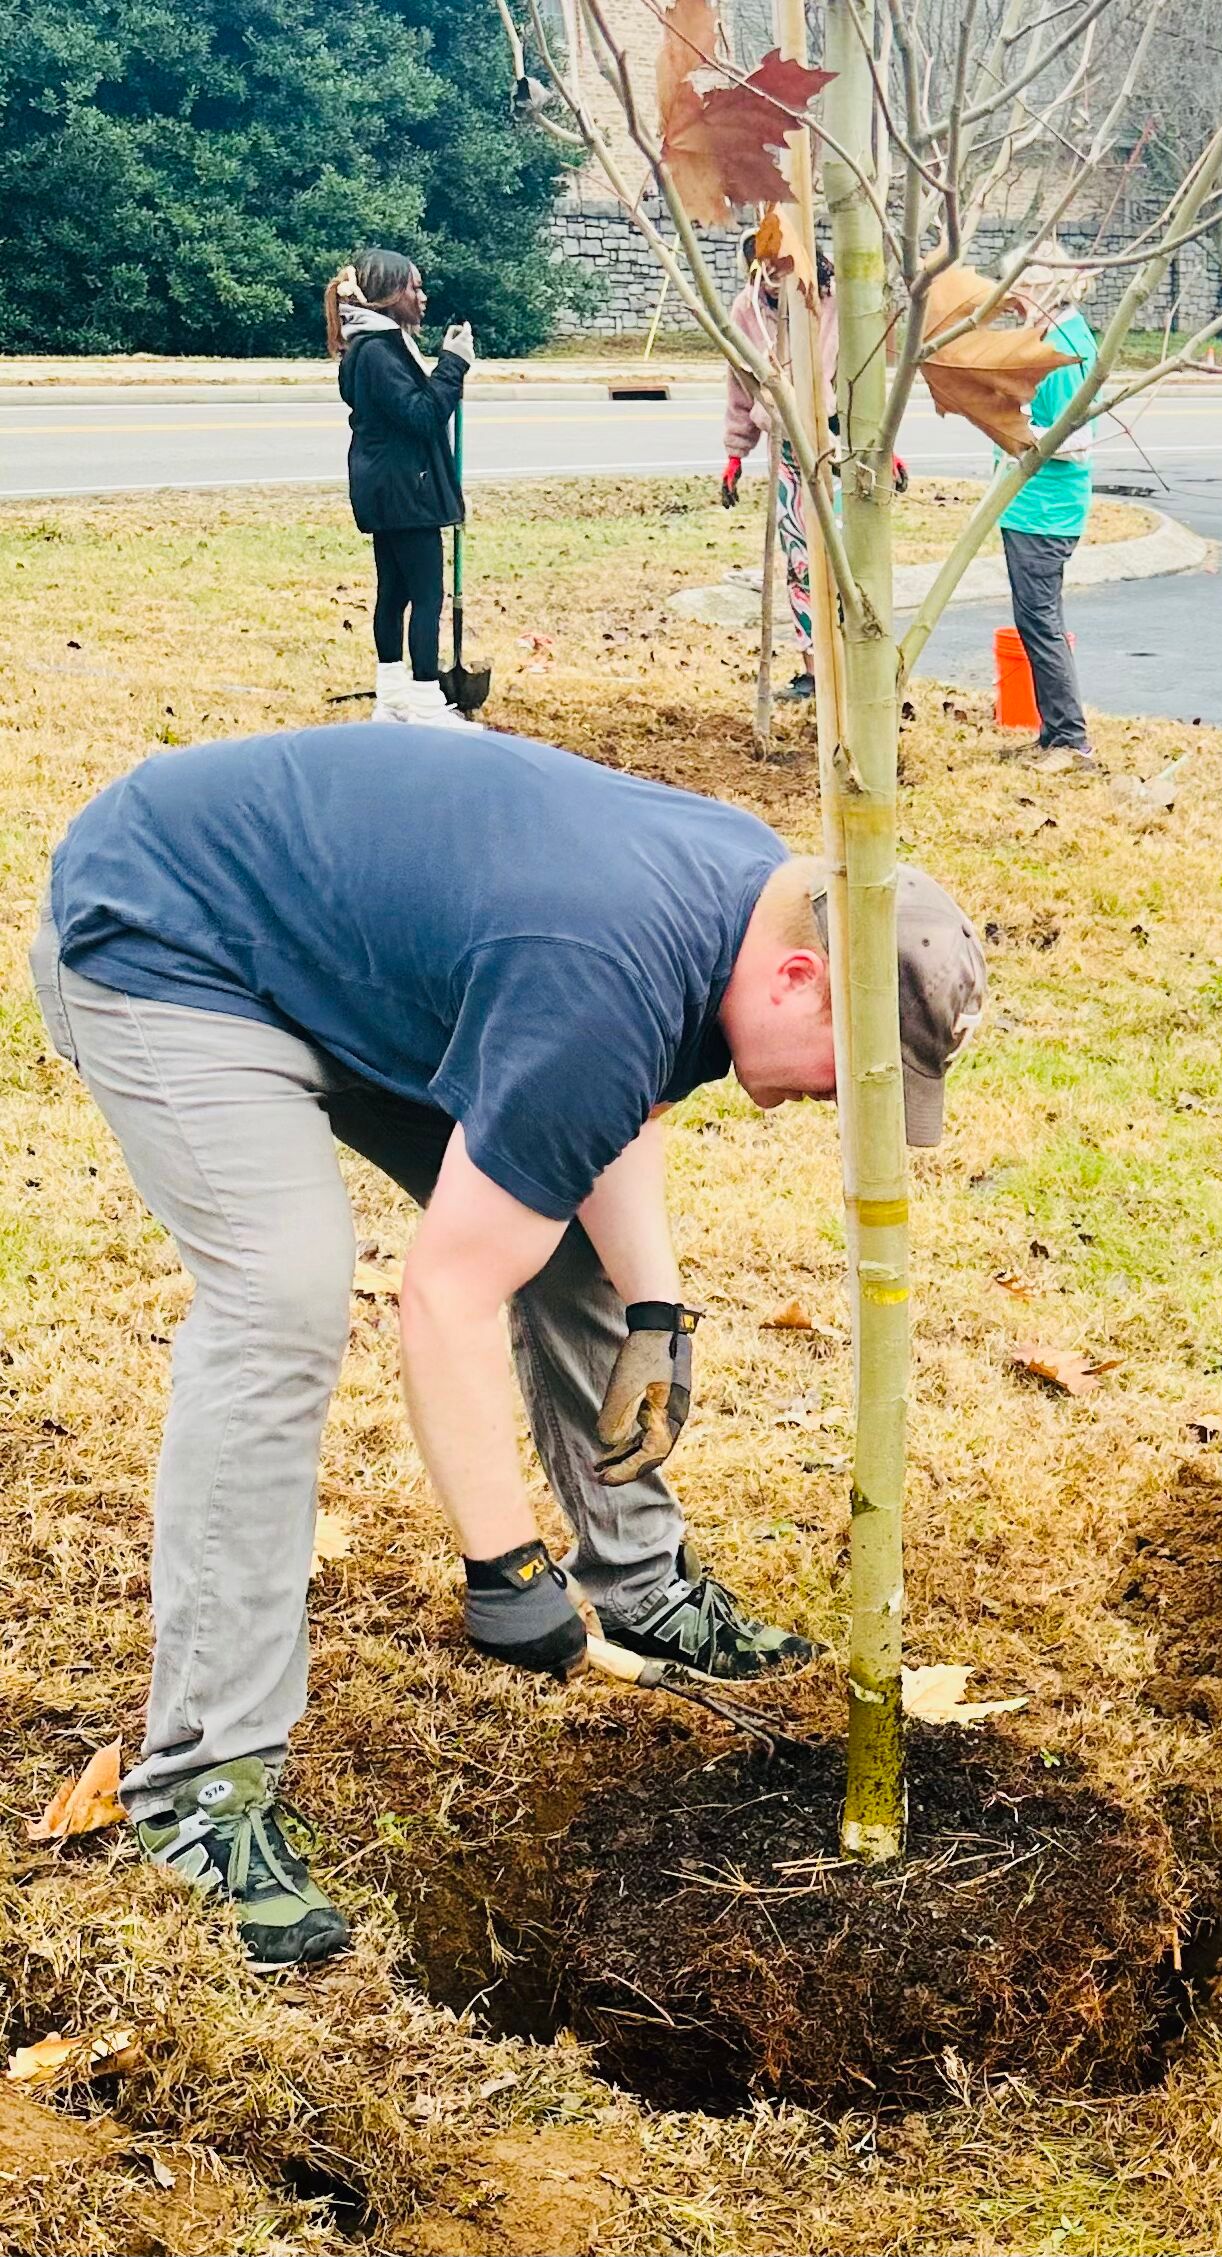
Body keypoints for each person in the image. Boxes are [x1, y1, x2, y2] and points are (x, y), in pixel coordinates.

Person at [31, 725, 986, 1972]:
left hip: (345, 959)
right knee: (283, 1294)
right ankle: (203, 1787)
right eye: (845, 1084)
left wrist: (657, 1310)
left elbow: (606, 1106)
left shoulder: (750, 897)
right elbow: (446, 1295)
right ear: (803, 980)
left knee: (566, 1226)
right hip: (174, 933)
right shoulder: (611, 961)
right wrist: (502, 1568)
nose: (830, 1112)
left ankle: (639, 1586)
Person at [326, 250, 477, 729]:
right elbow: (421, 415)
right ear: (390, 296)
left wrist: (444, 370)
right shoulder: (377, 351)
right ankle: (426, 703)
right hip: (404, 489)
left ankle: (392, 698)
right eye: (413, 287)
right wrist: (452, 365)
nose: (422, 295)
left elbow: (411, 408)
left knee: (393, 592)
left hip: (388, 484)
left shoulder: (375, 346)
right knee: (425, 594)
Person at [722, 231, 840, 704]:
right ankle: (813, 669)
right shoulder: (745, 310)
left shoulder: (831, 301)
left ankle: (848, 661)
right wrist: (735, 453)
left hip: (833, 441)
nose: (771, 278)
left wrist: (879, 447)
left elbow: (860, 376)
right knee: (801, 559)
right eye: (762, 270)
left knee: (842, 558)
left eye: (779, 266)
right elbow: (739, 384)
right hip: (785, 446)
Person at [996, 274, 1099, 766]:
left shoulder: (1061, 350)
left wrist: (1009, 422)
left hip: (1044, 512)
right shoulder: (1068, 334)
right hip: (1039, 508)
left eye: (1018, 289)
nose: (1011, 299)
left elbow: (1077, 443)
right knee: (1038, 621)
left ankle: (1070, 741)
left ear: (1043, 288)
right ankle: (1054, 734)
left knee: (1040, 624)